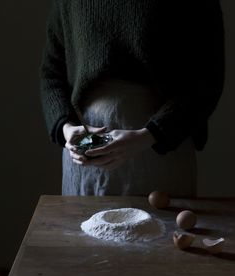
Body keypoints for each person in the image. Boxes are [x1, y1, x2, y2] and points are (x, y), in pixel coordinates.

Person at [40, 0, 224, 198]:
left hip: (160, 153)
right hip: (86, 158)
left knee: (164, 228)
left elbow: (207, 81)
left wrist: (149, 135)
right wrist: (67, 129)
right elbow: (51, 73)